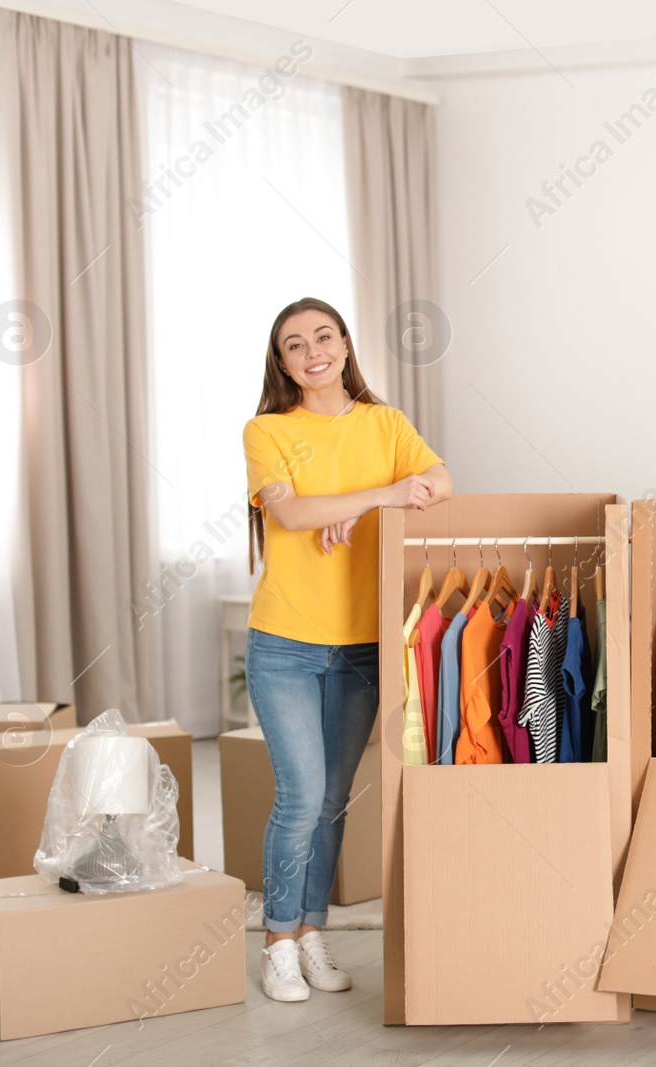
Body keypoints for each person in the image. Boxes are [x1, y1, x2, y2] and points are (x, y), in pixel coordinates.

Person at [242, 296, 451, 1002]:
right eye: (295, 344)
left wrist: (361, 504)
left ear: (344, 344)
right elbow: (292, 512)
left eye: (323, 336)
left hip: (361, 646)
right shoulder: (267, 430)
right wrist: (381, 494)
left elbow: (442, 483)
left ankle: (311, 932)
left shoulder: (385, 423)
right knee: (299, 796)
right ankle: (276, 939)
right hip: (286, 643)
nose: (313, 351)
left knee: (331, 800)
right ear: (284, 362)